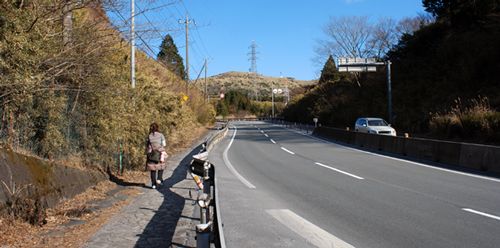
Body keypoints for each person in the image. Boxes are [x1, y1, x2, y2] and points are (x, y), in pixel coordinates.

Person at [145, 123, 167, 189]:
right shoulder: (161, 135)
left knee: (153, 169)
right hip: (159, 153)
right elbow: (164, 144)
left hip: (151, 154)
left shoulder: (149, 136)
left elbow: (146, 145)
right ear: (157, 128)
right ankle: (159, 179)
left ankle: (153, 184)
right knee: (161, 167)